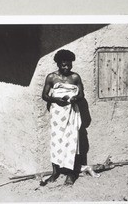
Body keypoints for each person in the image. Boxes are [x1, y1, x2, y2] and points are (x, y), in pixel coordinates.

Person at [41, 49, 84, 186]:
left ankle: (71, 174)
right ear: (58, 64)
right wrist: (56, 100)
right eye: (63, 65)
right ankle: (55, 172)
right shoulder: (51, 77)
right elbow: (45, 96)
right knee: (56, 141)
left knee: (72, 142)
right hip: (57, 114)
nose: (66, 67)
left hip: (71, 112)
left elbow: (82, 95)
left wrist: (74, 98)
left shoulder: (75, 77)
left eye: (69, 65)